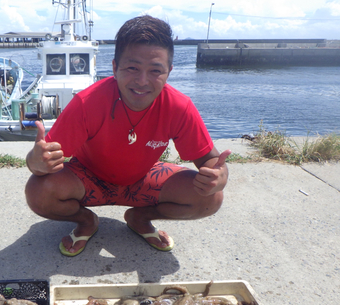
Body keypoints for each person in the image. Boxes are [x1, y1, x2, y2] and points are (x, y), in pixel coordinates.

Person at [25, 15, 231, 256]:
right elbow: (42, 163)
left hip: (143, 178)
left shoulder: (179, 107)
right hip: (88, 178)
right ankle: (86, 221)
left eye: (155, 70)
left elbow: (209, 160)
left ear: (169, 72)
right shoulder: (86, 103)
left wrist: (218, 176)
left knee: (211, 198)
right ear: (114, 67)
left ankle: (139, 217)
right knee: (38, 192)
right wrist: (35, 161)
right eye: (132, 68)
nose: (142, 81)